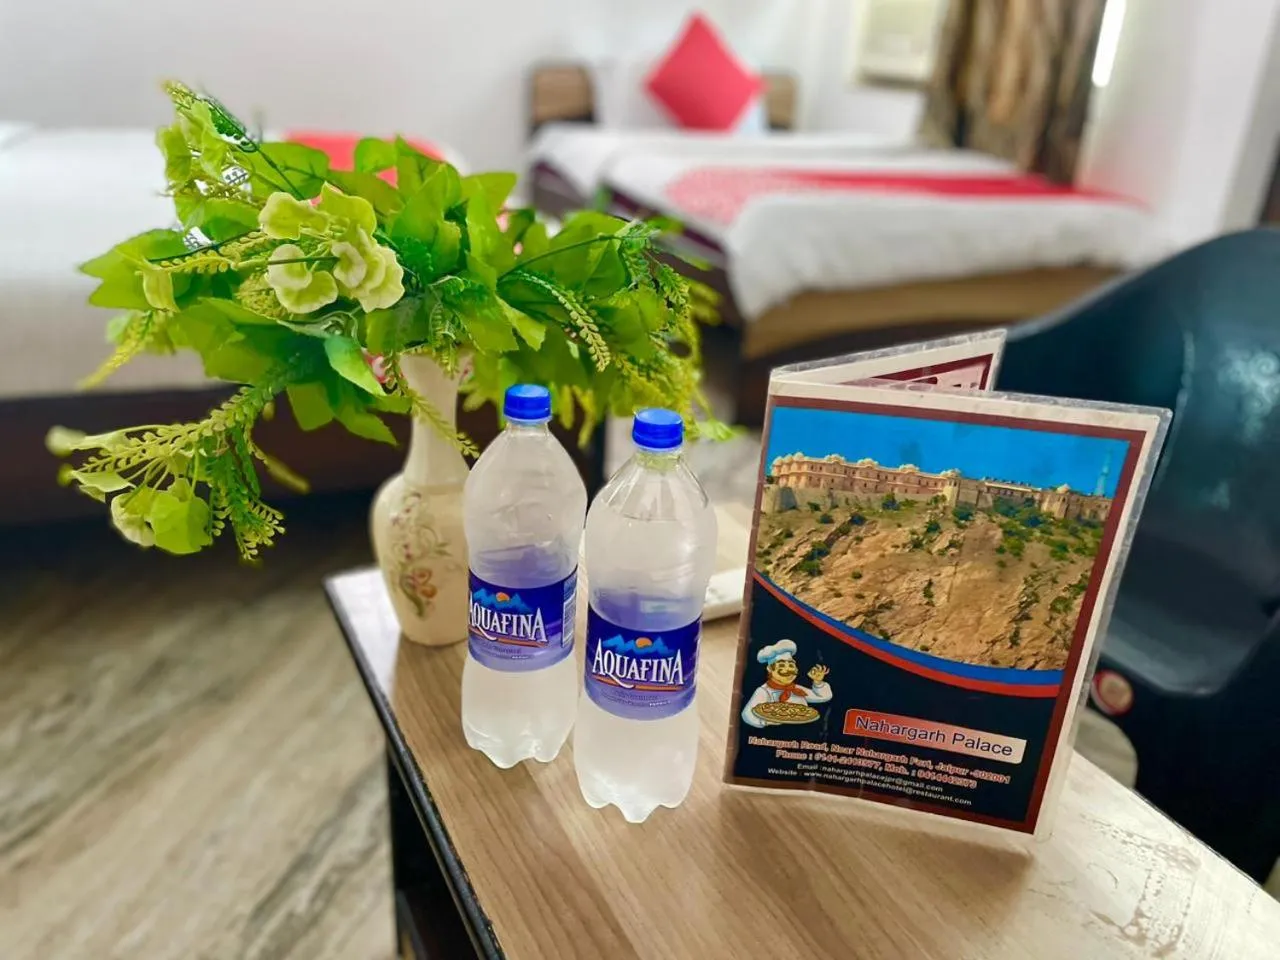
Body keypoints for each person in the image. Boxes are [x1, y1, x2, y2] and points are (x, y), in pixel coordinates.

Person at [741, 639, 832, 728]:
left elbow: (823, 697)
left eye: (791, 665)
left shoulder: (796, 689)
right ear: (770, 669)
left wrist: (818, 682)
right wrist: (767, 721)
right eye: (781, 665)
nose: (788, 670)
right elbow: (747, 715)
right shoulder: (763, 691)